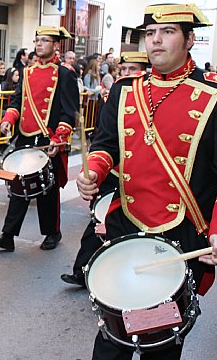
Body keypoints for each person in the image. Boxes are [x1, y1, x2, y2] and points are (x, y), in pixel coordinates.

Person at [76, 4, 217, 359]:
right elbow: (105, 146)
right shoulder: (125, 90)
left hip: (182, 232)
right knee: (113, 334)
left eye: (168, 32)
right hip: (126, 222)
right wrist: (94, 171)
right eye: (149, 33)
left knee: (160, 338)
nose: (155, 40)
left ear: (190, 39)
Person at [61, 52, 150, 288]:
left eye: (134, 69)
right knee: (97, 220)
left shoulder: (150, 99)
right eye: (125, 69)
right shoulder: (115, 95)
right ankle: (82, 271)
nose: (128, 74)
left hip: (137, 174)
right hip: (111, 169)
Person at [0, 26, 78, 252]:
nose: (39, 44)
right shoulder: (27, 72)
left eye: (45, 40)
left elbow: (69, 110)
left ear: (56, 45)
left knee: (48, 189)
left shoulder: (65, 73)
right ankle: (7, 235)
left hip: (49, 139)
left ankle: (52, 232)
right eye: (37, 40)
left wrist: (59, 136)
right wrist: (8, 119)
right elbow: (17, 102)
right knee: (18, 185)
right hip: (25, 137)